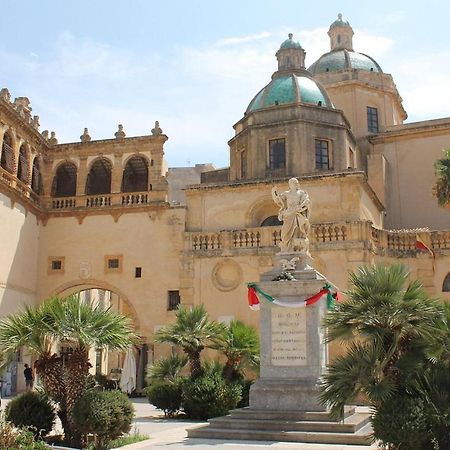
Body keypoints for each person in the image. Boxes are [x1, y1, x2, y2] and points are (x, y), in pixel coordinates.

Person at [272, 178, 311, 254]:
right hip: (288, 214)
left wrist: (302, 206)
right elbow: (277, 200)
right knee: (284, 233)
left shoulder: (301, 193)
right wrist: (273, 191)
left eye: (296, 183)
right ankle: (286, 247)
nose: (296, 184)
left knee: (297, 230)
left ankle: (294, 248)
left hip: (297, 214)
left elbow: (306, 202)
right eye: (294, 183)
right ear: (290, 184)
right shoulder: (286, 193)